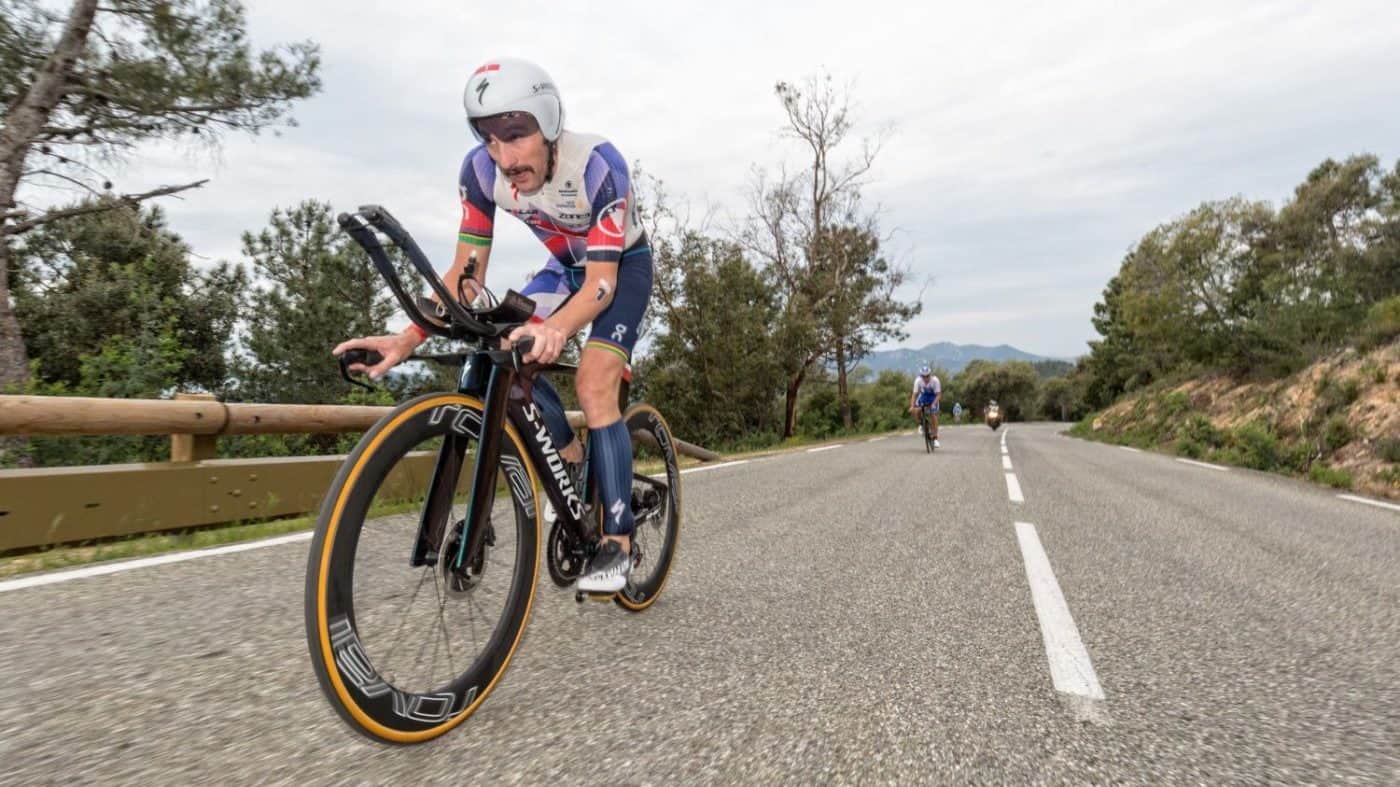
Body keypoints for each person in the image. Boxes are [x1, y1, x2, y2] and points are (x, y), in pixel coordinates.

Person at [333, 57, 651, 594]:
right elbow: (465, 273)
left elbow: (600, 283)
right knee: (502, 344)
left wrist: (559, 329)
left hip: (620, 267)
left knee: (593, 382)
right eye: (489, 139)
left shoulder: (598, 164)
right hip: (563, 268)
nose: (505, 157)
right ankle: (569, 458)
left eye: (516, 134)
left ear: (549, 124)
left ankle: (617, 544)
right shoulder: (479, 172)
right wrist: (407, 337)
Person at [908, 365, 941, 447]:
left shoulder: (935, 380)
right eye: (924, 376)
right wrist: (912, 406)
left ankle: (935, 438)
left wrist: (933, 404)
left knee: (933, 415)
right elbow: (914, 394)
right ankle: (921, 424)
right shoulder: (918, 381)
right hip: (924, 396)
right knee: (916, 410)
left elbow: (939, 395)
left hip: (934, 397)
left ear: (930, 375)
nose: (926, 378)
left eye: (927, 376)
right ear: (921, 376)